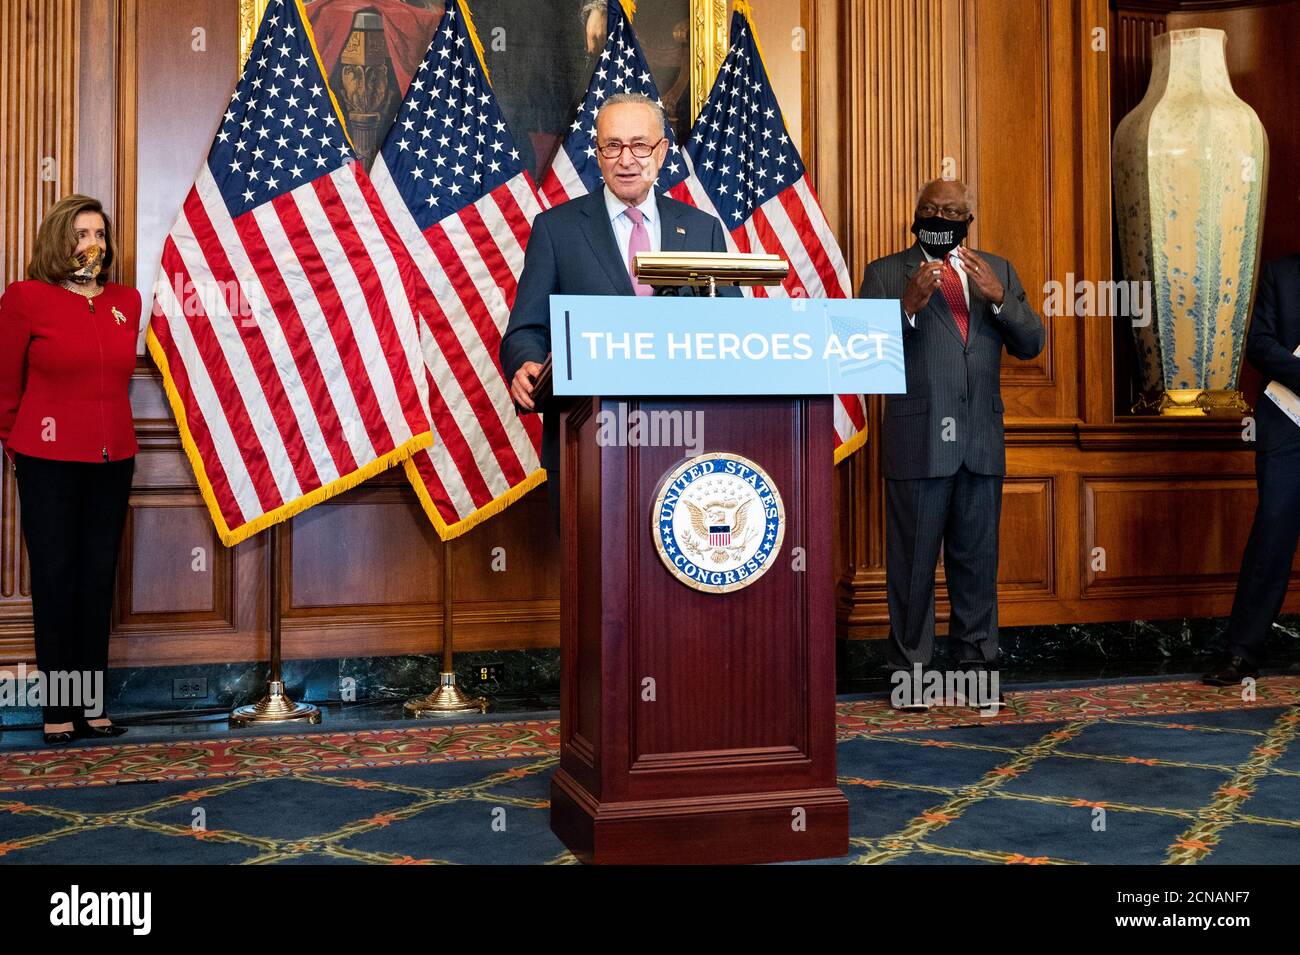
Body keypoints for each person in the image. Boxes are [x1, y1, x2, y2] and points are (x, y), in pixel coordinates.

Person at [499, 92, 739, 533]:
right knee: (592, 588)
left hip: (686, 441)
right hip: (584, 441)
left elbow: (732, 332)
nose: (626, 159)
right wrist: (524, 362)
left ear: (662, 152)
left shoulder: (702, 229)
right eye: (612, 146)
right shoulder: (556, 230)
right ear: (598, 152)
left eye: (639, 145)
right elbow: (525, 330)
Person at [859, 179, 1045, 710]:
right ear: (915, 216)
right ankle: (910, 677)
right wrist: (908, 307)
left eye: (953, 211)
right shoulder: (886, 272)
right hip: (919, 441)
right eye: (932, 210)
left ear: (968, 219)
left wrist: (1001, 299)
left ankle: (977, 670)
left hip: (981, 442)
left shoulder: (998, 269)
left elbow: (1031, 343)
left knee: (977, 566)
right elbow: (864, 355)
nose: (942, 217)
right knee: (913, 568)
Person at [0, 194, 141, 745]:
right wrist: (17, 446)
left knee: (96, 580)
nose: (94, 244)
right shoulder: (25, 299)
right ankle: (58, 711)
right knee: (56, 581)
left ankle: (92, 707)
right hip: (48, 461)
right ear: (60, 240)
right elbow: (5, 386)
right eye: (83, 234)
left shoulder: (124, 301)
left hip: (113, 461)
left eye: (100, 235)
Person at [1204, 251, 1300, 686]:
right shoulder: (1282, 273)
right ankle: (1242, 652)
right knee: (1272, 533)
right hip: (1287, 421)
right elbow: (1259, 342)